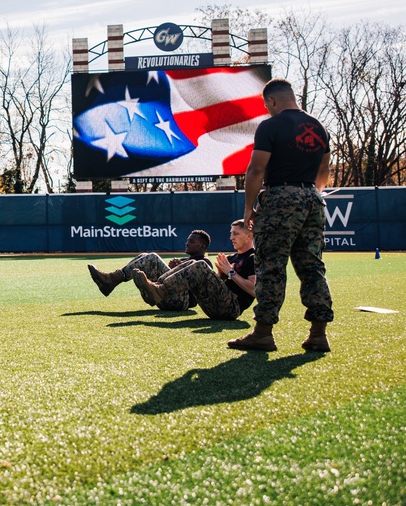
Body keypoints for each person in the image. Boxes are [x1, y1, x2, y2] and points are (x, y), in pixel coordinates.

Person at [228, 78, 334, 352]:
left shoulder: (271, 126)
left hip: (280, 199)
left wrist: (249, 208)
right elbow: (323, 172)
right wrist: (310, 195)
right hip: (313, 198)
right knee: (312, 267)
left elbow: (256, 169)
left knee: (271, 267)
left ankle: (263, 333)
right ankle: (318, 334)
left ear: (271, 101)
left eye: (267, 106)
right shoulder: (319, 127)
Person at [133, 220, 256, 320]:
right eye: (231, 233)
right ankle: (156, 289)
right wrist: (219, 274)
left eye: (236, 234)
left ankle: (159, 291)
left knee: (200, 264)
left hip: (231, 308)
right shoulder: (230, 258)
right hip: (213, 305)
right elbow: (219, 284)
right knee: (192, 262)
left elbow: (254, 290)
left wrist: (230, 272)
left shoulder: (253, 258)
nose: (231, 237)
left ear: (249, 236)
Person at [87, 230, 211, 311]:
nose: (187, 243)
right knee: (144, 257)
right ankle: (112, 280)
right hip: (164, 298)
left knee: (152, 257)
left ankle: (111, 280)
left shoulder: (204, 263)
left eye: (192, 241)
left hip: (181, 302)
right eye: (187, 240)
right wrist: (173, 270)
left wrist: (176, 269)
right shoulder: (184, 259)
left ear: (202, 246)